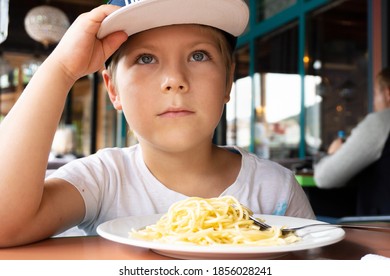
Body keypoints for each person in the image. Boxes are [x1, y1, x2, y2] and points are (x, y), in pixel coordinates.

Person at [0, 0, 314, 247]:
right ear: (113, 89)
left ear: (229, 80)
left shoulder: (276, 190)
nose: (174, 80)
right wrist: (62, 68)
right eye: (146, 59)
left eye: (199, 56)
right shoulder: (103, 179)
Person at [314, 68, 390, 214]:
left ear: (387, 93)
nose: (374, 102)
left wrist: (332, 153)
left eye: (375, 94)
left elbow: (324, 178)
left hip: (380, 230)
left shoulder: (382, 122)